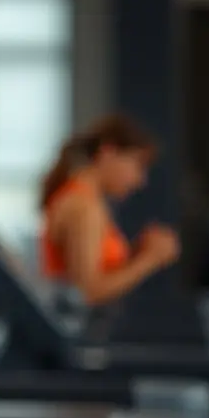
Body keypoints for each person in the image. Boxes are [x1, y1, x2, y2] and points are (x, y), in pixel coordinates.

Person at [40, 113, 180, 306]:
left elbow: (97, 275)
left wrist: (140, 254)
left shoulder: (88, 202)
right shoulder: (83, 207)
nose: (140, 180)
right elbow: (85, 293)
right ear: (108, 153)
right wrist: (150, 259)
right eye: (138, 165)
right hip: (81, 330)